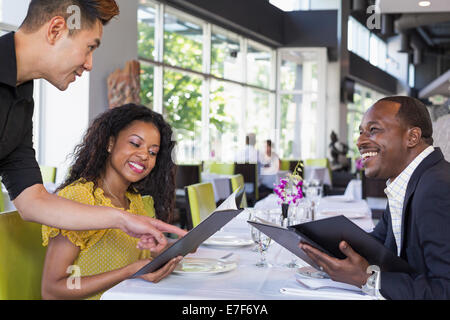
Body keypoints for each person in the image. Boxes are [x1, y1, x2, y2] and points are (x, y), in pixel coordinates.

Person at [0, 0, 172, 249]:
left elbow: (33, 201)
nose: (90, 64)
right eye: (89, 47)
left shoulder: (21, 97)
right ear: (56, 30)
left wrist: (123, 219)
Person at [300, 96, 450, 299]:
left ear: (412, 137)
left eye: (373, 130)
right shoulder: (410, 180)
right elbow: (379, 245)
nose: (360, 141)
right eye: (361, 132)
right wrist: (322, 246)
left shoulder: (437, 187)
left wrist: (368, 279)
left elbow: (445, 290)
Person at [41, 104, 186, 300]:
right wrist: (129, 272)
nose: (144, 155)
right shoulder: (79, 198)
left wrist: (178, 248)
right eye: (135, 144)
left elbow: (139, 258)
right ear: (110, 143)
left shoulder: (135, 201)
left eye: (153, 152)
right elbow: (52, 290)